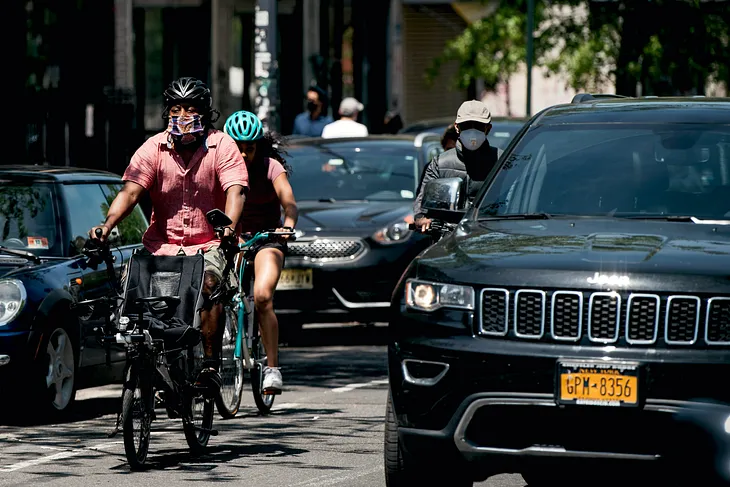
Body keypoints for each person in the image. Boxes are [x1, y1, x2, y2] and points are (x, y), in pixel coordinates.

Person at [89, 76, 248, 389]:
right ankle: (156, 360)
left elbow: (236, 191)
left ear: (205, 113)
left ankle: (210, 365)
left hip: (208, 244)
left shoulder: (222, 145)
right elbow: (130, 192)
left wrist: (228, 225)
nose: (183, 117)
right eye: (176, 109)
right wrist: (106, 226)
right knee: (136, 295)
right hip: (161, 247)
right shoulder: (153, 147)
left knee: (210, 285)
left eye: (191, 109)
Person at [223, 110, 298, 394]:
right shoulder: (220, 168)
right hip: (235, 238)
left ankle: (272, 368)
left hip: (268, 237)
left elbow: (289, 203)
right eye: (236, 148)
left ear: (258, 146)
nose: (243, 155)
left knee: (263, 296)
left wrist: (287, 226)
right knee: (217, 294)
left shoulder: (270, 167)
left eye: (249, 149)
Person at [413, 100, 503, 232]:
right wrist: (422, 219)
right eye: (467, 125)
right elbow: (422, 207)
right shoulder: (440, 164)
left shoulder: (502, 162)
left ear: (487, 129)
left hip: (489, 239)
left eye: (478, 126)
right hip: (448, 242)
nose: (472, 131)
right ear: (457, 127)